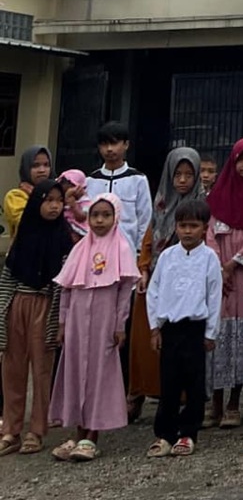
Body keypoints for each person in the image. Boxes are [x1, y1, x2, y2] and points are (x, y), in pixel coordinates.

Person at [48, 194, 140, 462]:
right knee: (76, 370)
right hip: (77, 321)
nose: (99, 220)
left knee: (99, 373)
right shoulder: (80, 249)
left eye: (106, 215)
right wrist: (63, 323)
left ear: (116, 217)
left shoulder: (121, 247)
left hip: (104, 321)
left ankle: (92, 435)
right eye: (95, 215)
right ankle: (77, 432)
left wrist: (120, 324)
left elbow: (124, 292)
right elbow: (67, 289)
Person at [128, 147, 203, 424]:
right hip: (156, 277)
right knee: (143, 334)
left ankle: (181, 398)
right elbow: (148, 241)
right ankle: (137, 393)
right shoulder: (160, 204)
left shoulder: (202, 206)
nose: (182, 180)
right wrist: (144, 270)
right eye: (177, 174)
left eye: (188, 174)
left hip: (186, 283)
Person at [144, 199, 222, 458]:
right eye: (182, 225)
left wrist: (211, 333)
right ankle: (164, 433)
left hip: (196, 328)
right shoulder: (167, 257)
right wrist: (155, 328)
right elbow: (153, 292)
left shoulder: (209, 258)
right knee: (169, 383)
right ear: (175, 227)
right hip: (171, 328)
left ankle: (188, 432)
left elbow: (214, 296)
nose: (187, 231)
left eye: (193, 226)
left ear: (204, 228)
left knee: (194, 383)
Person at [0, 180, 72, 456]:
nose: (54, 206)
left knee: (42, 371)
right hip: (17, 302)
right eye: (48, 200)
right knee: (12, 370)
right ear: (36, 202)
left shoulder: (63, 238)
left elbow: (62, 285)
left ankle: (37, 431)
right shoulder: (24, 234)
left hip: (45, 304)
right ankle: (11, 430)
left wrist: (57, 320)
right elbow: (8, 276)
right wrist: (2, 316)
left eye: (59, 200)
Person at [204, 138, 243, 429]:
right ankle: (214, 403)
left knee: (242, 334)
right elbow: (209, 233)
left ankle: (233, 403)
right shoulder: (218, 196)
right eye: (240, 159)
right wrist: (219, 266)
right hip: (219, 276)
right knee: (217, 335)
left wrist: (234, 263)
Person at [86, 122, 152, 254]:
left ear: (126, 145)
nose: (109, 149)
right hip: (95, 252)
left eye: (114, 143)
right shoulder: (91, 180)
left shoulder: (138, 179)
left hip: (128, 252)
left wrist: (140, 252)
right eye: (104, 144)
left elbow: (145, 219)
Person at [4, 146, 53, 240]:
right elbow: (28, 224)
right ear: (26, 168)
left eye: (46, 165)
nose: (42, 170)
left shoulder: (57, 193)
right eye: (35, 165)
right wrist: (37, 196)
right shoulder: (15, 196)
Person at [57, 169, 92, 238]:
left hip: (80, 231)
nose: (64, 186)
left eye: (71, 185)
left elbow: (81, 217)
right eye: (62, 182)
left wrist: (73, 205)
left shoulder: (85, 201)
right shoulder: (60, 198)